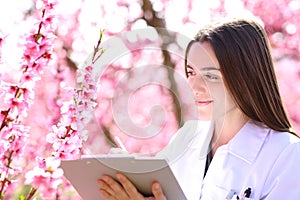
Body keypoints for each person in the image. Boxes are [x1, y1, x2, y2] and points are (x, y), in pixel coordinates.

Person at [97, 17, 300, 200]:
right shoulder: (185, 140)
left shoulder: (287, 155)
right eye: (190, 72)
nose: (193, 87)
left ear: (246, 78)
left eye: (210, 76)